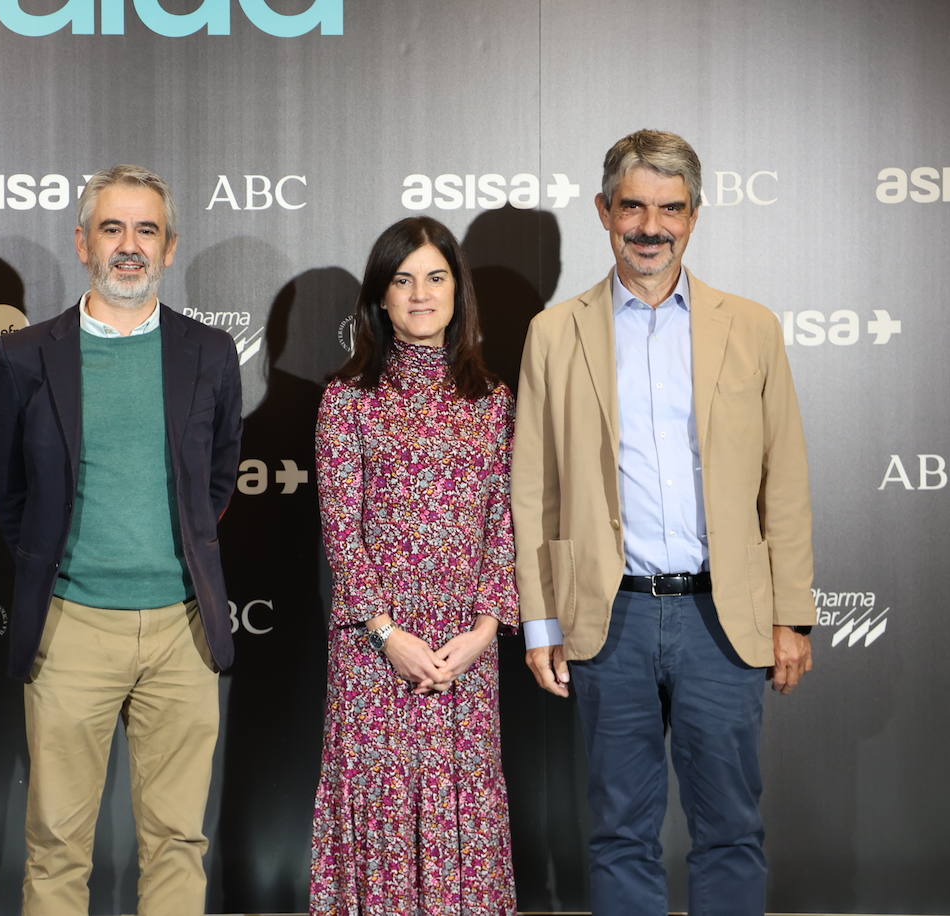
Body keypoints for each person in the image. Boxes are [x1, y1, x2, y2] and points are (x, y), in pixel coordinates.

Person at [512, 129, 816, 915]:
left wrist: (793, 615)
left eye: (671, 208)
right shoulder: (554, 333)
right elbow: (534, 490)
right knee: (619, 830)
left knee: (731, 830)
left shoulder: (751, 327)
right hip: (609, 619)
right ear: (604, 211)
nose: (652, 226)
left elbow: (783, 479)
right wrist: (541, 620)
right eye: (635, 207)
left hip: (725, 617)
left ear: (696, 214)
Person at [0, 164, 243, 916]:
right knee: (58, 846)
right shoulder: (25, 356)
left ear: (169, 248)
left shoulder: (209, 354)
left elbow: (218, 478)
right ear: (82, 241)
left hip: (182, 630)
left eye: (146, 231)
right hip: (69, 628)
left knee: (176, 842)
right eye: (112, 228)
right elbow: (12, 496)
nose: (129, 246)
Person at [309, 216, 519, 915]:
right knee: (383, 807)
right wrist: (384, 634)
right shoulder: (347, 399)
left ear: (458, 292)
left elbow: (503, 522)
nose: (420, 295)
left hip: (464, 647)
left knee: (465, 802)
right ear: (381, 297)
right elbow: (342, 529)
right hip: (375, 650)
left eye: (435, 278)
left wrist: (488, 628)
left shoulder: (493, 402)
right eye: (403, 280)